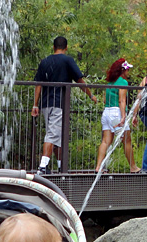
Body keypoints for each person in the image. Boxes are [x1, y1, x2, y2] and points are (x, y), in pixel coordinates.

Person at [32, 36, 97, 175]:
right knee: (52, 134)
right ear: (66, 47)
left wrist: (35, 105)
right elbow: (79, 80)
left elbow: (38, 84)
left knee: (58, 135)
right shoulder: (68, 61)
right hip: (59, 103)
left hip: (45, 104)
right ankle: (42, 167)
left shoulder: (45, 61)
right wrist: (90, 95)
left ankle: (61, 166)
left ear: (53, 47)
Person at [95, 58, 139, 173]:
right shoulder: (122, 82)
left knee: (105, 141)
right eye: (127, 69)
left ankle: (98, 166)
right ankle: (133, 167)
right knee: (127, 140)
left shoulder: (110, 82)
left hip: (106, 112)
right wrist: (123, 116)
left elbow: (105, 99)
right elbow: (122, 100)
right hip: (116, 113)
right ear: (123, 70)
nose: (128, 72)